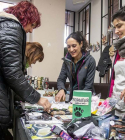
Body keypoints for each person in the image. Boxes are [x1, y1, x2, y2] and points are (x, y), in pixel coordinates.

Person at [0, 1, 51, 130]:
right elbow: (12, 74)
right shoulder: (12, 27)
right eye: (32, 24)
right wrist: (37, 98)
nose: (30, 30)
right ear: (25, 17)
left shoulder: (4, 25)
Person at [56, 31, 96, 102]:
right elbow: (61, 79)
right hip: (72, 98)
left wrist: (78, 101)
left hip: (85, 99)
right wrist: (61, 89)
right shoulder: (67, 61)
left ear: (81, 44)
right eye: (68, 47)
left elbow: (88, 86)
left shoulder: (90, 61)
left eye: (74, 46)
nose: (71, 50)